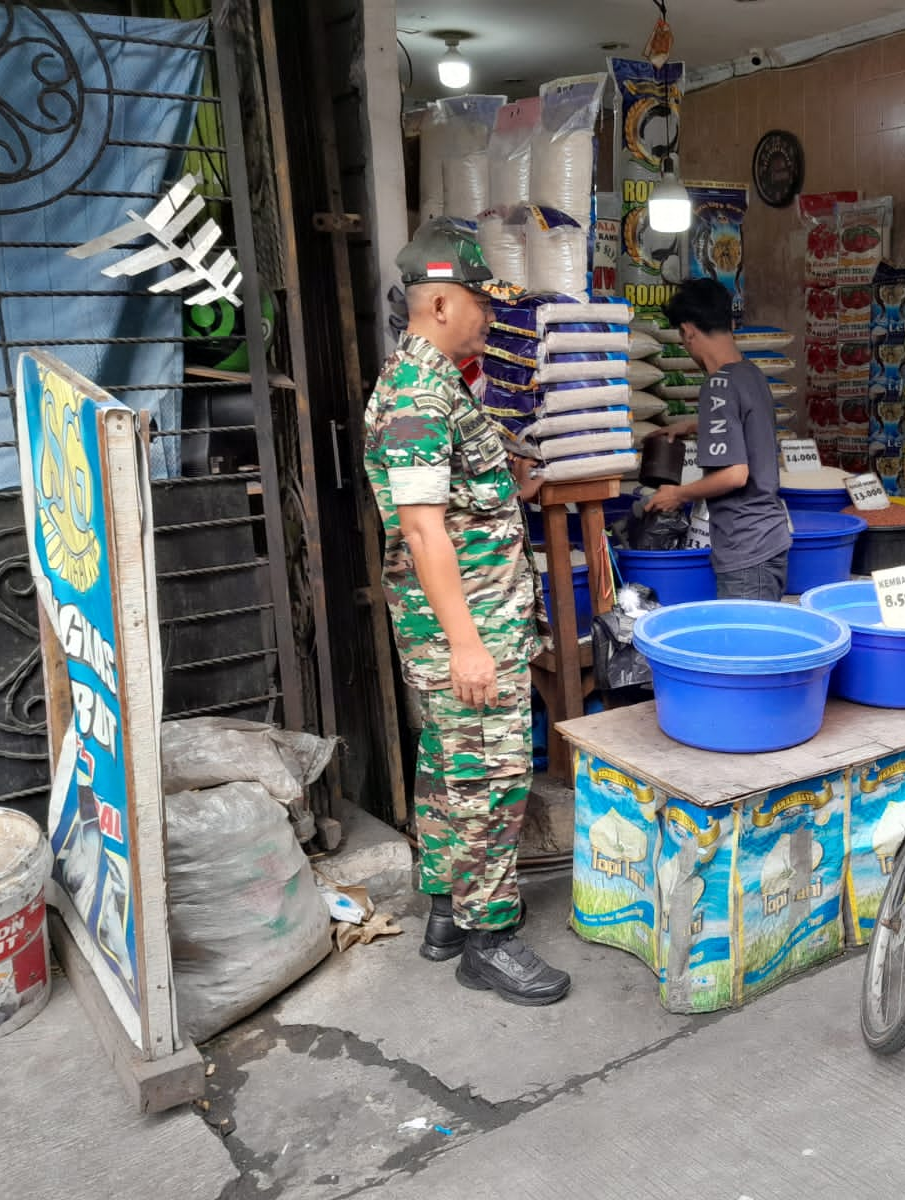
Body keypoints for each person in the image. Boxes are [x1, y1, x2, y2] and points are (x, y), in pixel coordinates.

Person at [363, 218, 571, 1006]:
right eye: (482, 302)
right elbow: (419, 529)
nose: (491, 316)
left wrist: (501, 489)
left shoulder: (440, 385)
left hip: (471, 618)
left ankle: (447, 910)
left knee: (449, 768)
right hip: (467, 627)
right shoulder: (418, 396)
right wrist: (466, 644)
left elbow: (448, 506)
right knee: (491, 775)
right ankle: (492, 937)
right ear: (442, 303)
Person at [643, 279, 792, 601]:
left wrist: (678, 494)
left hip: (745, 548)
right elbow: (748, 425)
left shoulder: (718, 386)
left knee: (747, 649)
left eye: (683, 340)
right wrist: (693, 426)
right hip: (770, 540)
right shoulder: (750, 374)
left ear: (688, 331)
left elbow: (735, 474)